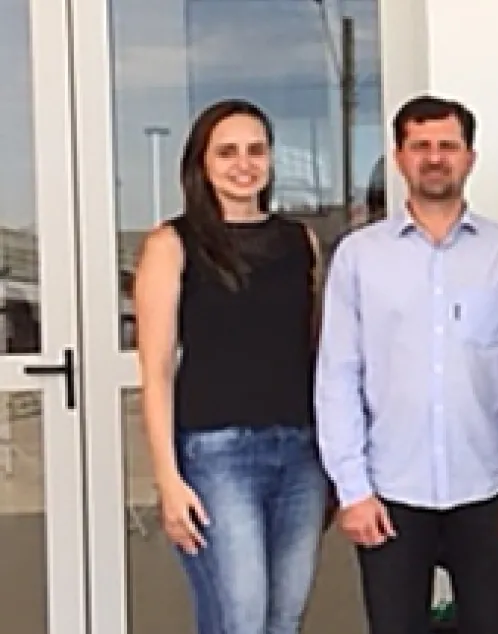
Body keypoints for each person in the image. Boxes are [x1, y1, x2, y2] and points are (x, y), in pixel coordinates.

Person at [315, 95, 498, 634]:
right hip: (389, 491)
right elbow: (337, 377)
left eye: (447, 145)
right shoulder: (359, 256)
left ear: (469, 157)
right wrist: (352, 488)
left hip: (491, 487)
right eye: (420, 146)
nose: (434, 157)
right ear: (399, 158)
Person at [132, 99, 327, 634]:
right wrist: (168, 480)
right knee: (240, 620)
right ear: (202, 163)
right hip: (217, 455)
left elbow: (314, 354)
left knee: (282, 620)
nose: (244, 164)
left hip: (300, 455)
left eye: (256, 150)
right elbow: (155, 371)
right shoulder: (172, 244)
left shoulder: (299, 243)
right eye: (227, 152)